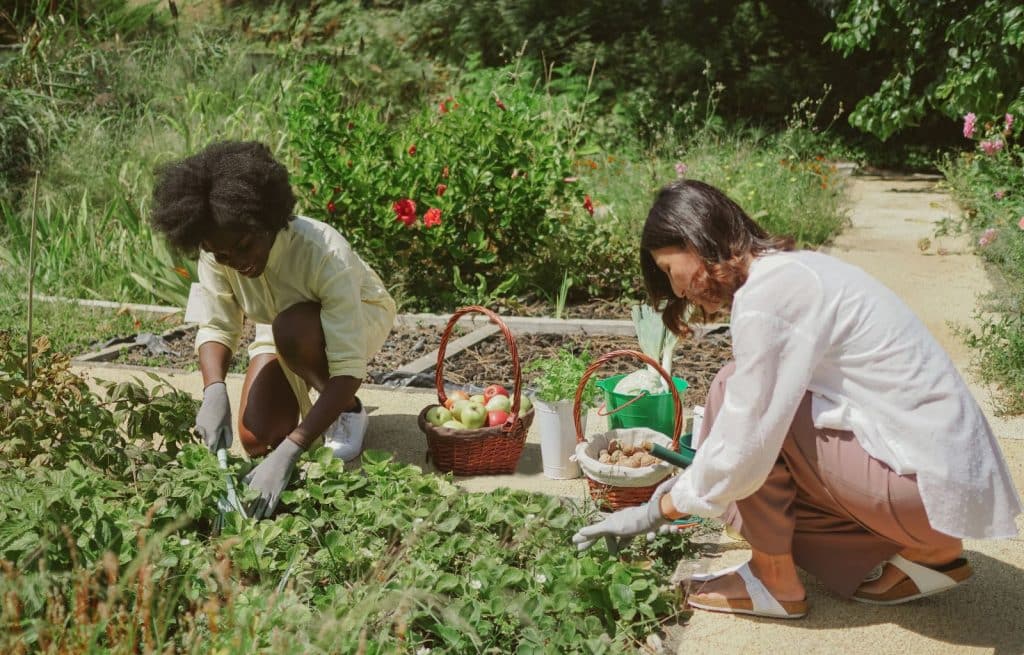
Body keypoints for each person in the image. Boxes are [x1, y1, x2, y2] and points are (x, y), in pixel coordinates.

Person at [572, 179, 1022, 619]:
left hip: (925, 490)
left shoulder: (770, 295)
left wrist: (653, 511)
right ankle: (930, 551)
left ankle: (774, 581)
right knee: (746, 402)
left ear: (694, 236)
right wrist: (693, 485)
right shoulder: (794, 270)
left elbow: (746, 441)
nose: (675, 290)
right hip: (943, 483)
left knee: (737, 397)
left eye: (671, 270)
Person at [149, 140, 396, 518]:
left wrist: (293, 449)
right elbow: (216, 324)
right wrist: (214, 390)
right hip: (280, 328)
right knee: (257, 438)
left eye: (246, 247)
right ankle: (308, 402)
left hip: (356, 316)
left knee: (293, 331)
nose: (238, 263)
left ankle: (348, 412)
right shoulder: (219, 249)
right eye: (224, 256)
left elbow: (347, 367)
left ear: (267, 220)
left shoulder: (324, 252)